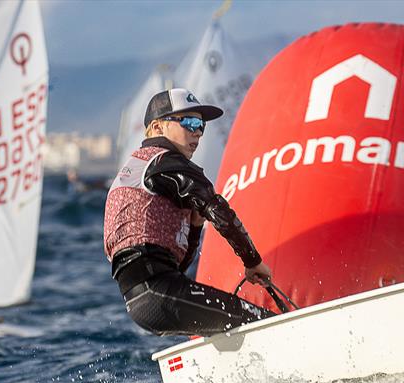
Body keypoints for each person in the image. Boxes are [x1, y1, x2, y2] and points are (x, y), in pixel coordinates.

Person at [104, 88, 276, 336]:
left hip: (143, 300)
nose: (197, 132)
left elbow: (178, 265)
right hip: (158, 291)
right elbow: (219, 210)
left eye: (201, 126)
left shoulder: (140, 169)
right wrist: (253, 262)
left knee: (237, 324)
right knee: (262, 322)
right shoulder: (165, 162)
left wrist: (195, 227)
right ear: (157, 128)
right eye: (189, 123)